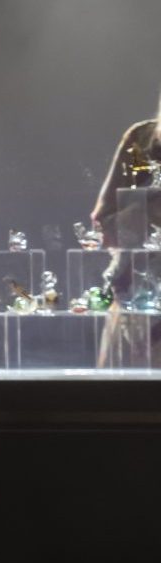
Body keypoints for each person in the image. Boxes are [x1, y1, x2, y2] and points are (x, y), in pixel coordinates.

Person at [89, 95, 161, 368]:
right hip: (138, 306)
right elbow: (104, 221)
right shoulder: (141, 139)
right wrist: (148, 212)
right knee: (125, 404)